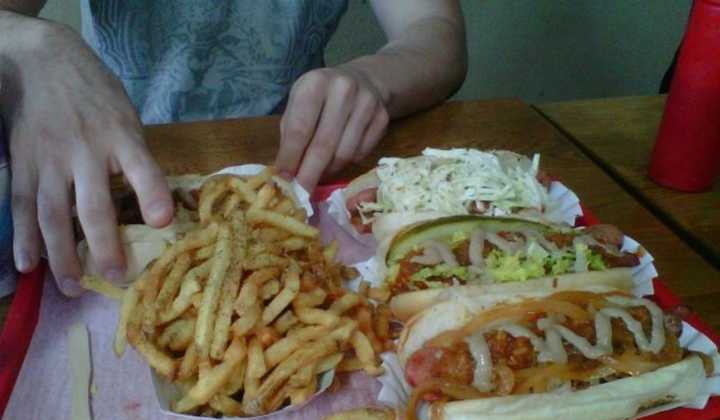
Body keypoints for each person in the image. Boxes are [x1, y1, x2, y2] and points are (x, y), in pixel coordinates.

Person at [0, 0, 467, 296]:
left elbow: (434, 29)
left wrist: (375, 78)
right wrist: (34, 43)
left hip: (300, 176)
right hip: (119, 181)